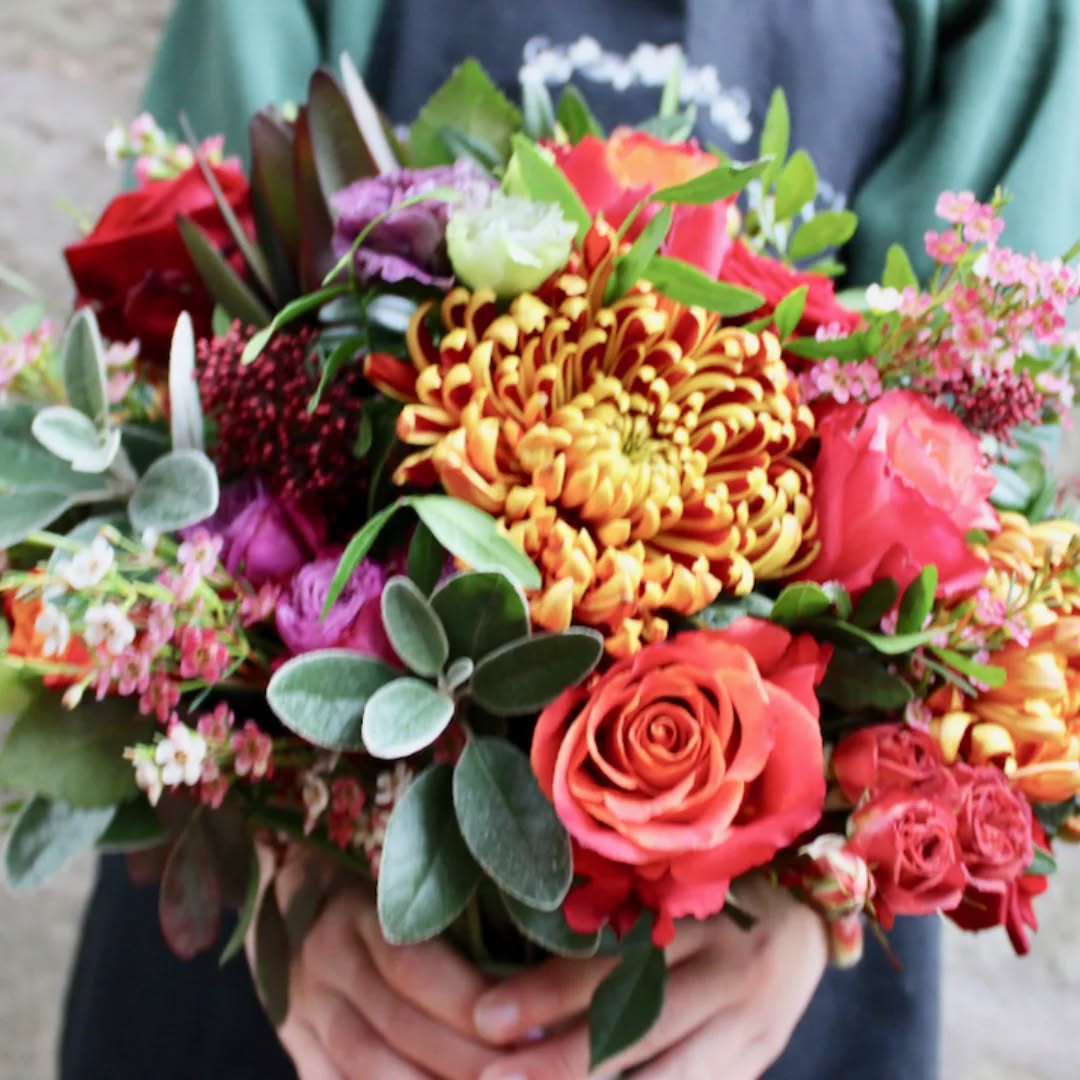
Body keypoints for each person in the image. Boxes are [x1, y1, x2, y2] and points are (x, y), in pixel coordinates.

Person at [59, 2, 1080, 1078]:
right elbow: (181, 373)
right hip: (307, 942)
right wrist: (290, 853)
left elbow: (975, 458)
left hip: (750, 976)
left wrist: (816, 894)